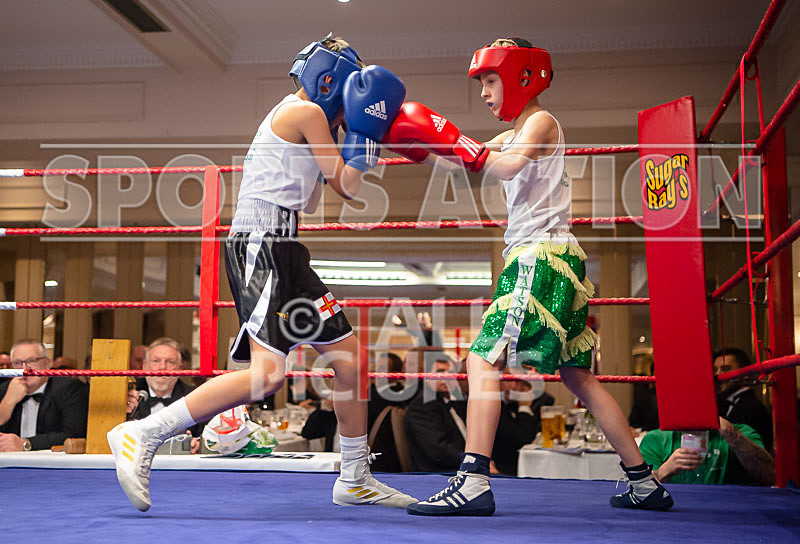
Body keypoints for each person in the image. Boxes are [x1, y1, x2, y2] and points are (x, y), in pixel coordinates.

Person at [107, 35, 415, 512]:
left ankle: (355, 477)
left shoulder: (311, 122)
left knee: (350, 360)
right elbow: (350, 188)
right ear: (332, 83)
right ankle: (143, 431)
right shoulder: (305, 113)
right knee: (268, 375)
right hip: (261, 242)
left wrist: (358, 135)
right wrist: (367, 132)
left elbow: (313, 199)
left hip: (287, 247)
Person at [385, 37, 673, 515]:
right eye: (481, 84)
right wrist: (411, 142)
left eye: (491, 80)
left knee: (481, 362)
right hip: (557, 257)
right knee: (579, 378)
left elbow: (507, 165)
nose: (484, 93)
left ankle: (473, 480)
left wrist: (446, 136)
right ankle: (643, 481)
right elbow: (468, 165)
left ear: (523, 76)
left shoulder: (540, 122)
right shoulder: (517, 130)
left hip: (538, 257)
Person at [0, 340, 89, 451]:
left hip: (54, 463)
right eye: (18, 363)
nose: (25, 368)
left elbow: (74, 434)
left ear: (47, 363)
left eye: (31, 361)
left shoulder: (69, 388)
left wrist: (26, 444)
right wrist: (8, 402)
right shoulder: (3, 390)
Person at [640, 417, 774, 486]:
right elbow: (640, 490)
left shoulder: (739, 432)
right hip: (673, 518)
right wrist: (664, 471)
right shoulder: (655, 439)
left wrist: (732, 435)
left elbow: (770, 476)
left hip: (727, 517)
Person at [126, 338, 205, 452]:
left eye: (170, 362)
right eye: (156, 361)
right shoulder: (128, 393)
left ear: (180, 369)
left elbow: (207, 436)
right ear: (144, 366)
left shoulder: (194, 396)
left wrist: (198, 444)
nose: (162, 367)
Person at [404, 353, 468, 472]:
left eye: (450, 373)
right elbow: (439, 452)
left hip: (460, 467)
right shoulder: (422, 406)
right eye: (440, 372)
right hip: (438, 473)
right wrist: (472, 462)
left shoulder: (452, 401)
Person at [492, 366, 554, 476]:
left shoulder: (514, 404)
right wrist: (524, 406)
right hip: (502, 469)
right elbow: (524, 439)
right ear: (500, 381)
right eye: (510, 380)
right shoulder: (494, 405)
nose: (514, 386)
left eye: (519, 381)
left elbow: (534, 433)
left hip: (520, 466)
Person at [713, 348, 773, 451]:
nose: (718, 375)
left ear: (745, 374)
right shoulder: (721, 403)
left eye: (725, 369)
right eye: (715, 370)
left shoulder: (752, 408)